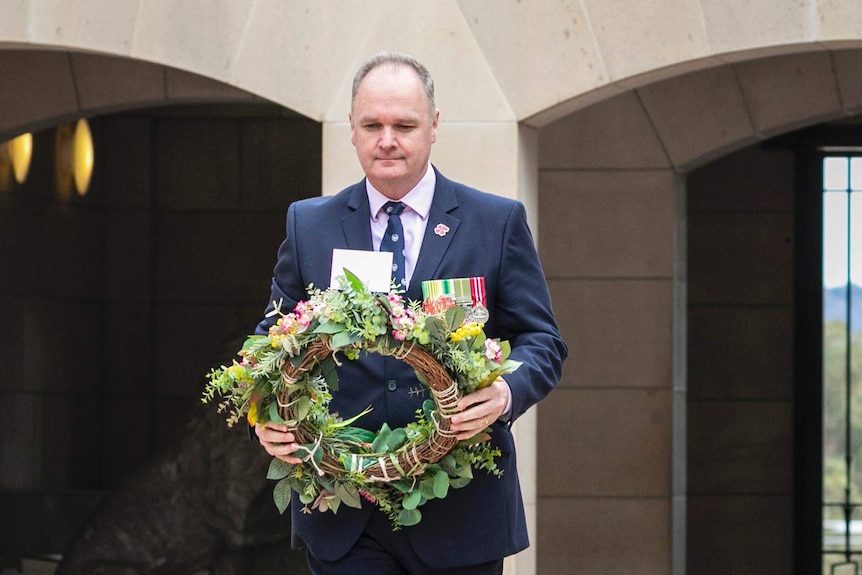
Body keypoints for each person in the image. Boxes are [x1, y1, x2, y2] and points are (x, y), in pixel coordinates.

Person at [253, 51, 567, 575]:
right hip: (345, 510)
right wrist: (263, 413)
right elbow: (272, 334)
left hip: (461, 511)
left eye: (404, 125)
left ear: (434, 127)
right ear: (352, 130)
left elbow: (543, 340)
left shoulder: (496, 221)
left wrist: (506, 392)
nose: (387, 140)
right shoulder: (309, 224)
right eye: (372, 125)